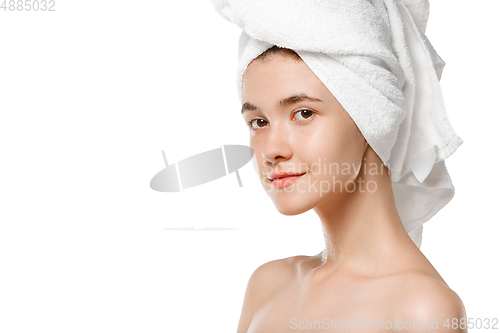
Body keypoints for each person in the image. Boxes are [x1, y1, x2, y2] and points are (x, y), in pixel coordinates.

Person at [237, 45, 467, 333]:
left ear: (373, 117)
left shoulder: (422, 310)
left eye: (304, 113)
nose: (271, 149)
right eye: (259, 122)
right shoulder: (267, 285)